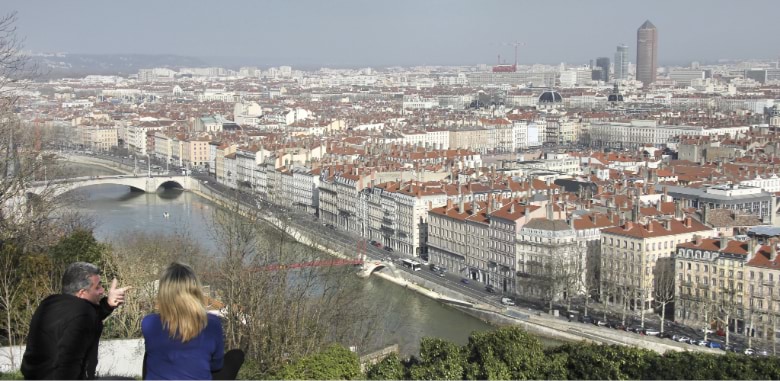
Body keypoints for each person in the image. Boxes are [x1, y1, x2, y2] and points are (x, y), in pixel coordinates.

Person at [21, 262, 132, 379]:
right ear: (82, 293)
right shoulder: (84, 313)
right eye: (97, 287)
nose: (102, 291)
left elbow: (86, 315)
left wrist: (108, 304)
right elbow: (68, 361)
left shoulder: (49, 303)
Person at [142, 262, 242, 380]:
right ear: (195, 291)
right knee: (236, 356)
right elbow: (216, 364)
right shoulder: (212, 323)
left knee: (149, 354)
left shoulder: (149, 323)